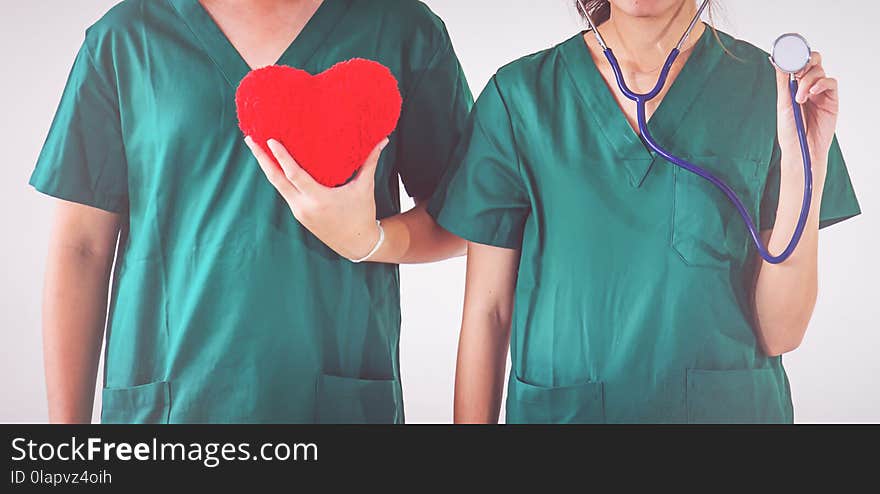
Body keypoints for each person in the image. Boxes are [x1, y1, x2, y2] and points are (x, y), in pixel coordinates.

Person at [30, 0, 471, 424]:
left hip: (335, 406)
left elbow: (467, 221)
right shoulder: (126, 38)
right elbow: (81, 248)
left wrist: (370, 240)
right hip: (167, 412)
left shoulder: (402, 29)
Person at [428, 0, 860, 423]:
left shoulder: (775, 92)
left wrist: (809, 162)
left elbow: (783, 332)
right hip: (564, 413)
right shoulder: (519, 97)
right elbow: (489, 311)